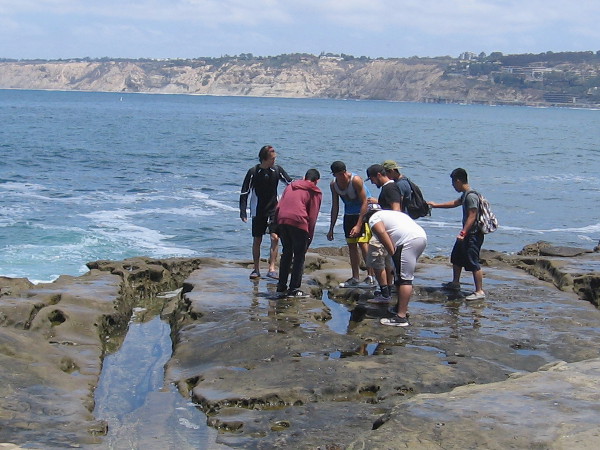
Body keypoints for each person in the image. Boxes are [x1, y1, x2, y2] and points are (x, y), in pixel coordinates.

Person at [428, 168, 485, 300]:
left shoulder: (471, 196)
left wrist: (463, 232)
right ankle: (455, 283)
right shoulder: (465, 195)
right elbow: (455, 203)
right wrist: (436, 205)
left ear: (458, 181)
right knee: (456, 257)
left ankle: (479, 291)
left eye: (453, 183)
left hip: (473, 234)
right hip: (466, 234)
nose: (453, 186)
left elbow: (472, 216)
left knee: (473, 262)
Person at [366, 208, 427, 327]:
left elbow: (382, 232)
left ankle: (401, 317)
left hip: (408, 241)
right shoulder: (391, 215)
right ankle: (400, 308)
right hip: (420, 238)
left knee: (405, 279)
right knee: (400, 276)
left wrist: (392, 252)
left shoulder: (374, 218)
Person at [239, 145, 292, 280]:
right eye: (272, 159)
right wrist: (243, 211)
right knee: (258, 239)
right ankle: (256, 269)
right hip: (258, 210)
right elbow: (245, 192)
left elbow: (290, 183)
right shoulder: (253, 172)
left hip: (274, 208)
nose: (274, 161)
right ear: (264, 159)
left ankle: (272, 268)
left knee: (275, 238)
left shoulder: (277, 170)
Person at [275, 169, 323, 298]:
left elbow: (279, 206)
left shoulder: (291, 186)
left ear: (304, 177)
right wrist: (309, 237)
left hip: (282, 219)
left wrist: (275, 227)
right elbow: (312, 216)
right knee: (299, 256)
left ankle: (281, 285)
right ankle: (294, 288)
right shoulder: (314, 191)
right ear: (316, 181)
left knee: (287, 253)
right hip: (298, 221)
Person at [327, 161, 374, 288]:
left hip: (363, 213)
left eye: (342, 174)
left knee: (363, 243)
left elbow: (365, 202)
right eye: (337, 175)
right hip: (349, 215)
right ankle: (355, 277)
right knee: (351, 245)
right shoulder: (334, 185)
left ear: (345, 172)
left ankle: (371, 276)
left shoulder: (356, 180)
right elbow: (335, 206)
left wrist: (359, 224)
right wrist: (331, 228)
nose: (340, 177)